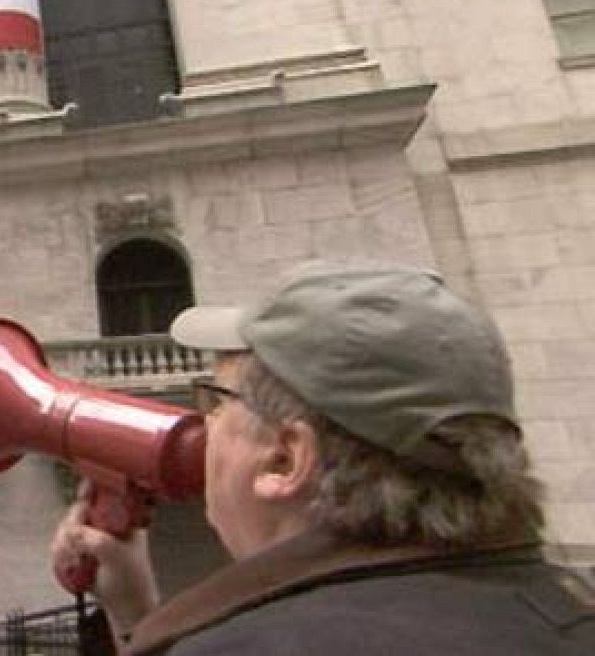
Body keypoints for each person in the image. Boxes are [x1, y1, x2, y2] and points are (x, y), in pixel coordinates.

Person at [51, 262, 595, 654]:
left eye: (216, 402)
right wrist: (137, 615)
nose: (205, 425)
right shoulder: (569, 608)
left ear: (286, 460)